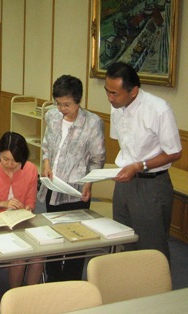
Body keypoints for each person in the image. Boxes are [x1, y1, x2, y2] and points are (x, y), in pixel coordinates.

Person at [105, 62, 182, 261]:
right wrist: (129, 167)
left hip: (151, 185)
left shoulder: (158, 109)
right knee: (123, 241)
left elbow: (174, 152)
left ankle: (157, 291)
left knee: (151, 248)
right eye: (108, 91)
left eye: (115, 93)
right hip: (125, 182)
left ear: (133, 91)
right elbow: (124, 146)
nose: (110, 98)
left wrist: (141, 165)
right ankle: (130, 289)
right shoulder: (117, 107)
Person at [37, 75, 105, 282]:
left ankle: (73, 281)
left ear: (78, 100)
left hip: (76, 189)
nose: (62, 109)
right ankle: (53, 278)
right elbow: (47, 143)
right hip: (53, 187)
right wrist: (46, 163)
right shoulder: (52, 116)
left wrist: (89, 184)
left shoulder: (92, 123)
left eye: (67, 104)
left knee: (77, 238)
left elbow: (97, 159)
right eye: (58, 103)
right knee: (55, 235)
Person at [0, 131, 43, 287]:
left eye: (15, 161)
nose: (9, 164)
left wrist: (27, 208)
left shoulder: (31, 169)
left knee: (39, 256)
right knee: (19, 259)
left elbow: (31, 202)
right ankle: (15, 296)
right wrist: (3, 204)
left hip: (20, 221)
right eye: (5, 159)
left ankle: (32, 295)